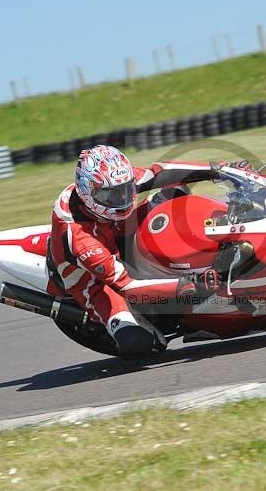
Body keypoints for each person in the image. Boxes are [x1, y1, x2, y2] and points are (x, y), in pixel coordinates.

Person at [46, 145, 226, 357]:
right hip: (97, 282)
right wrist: (190, 286)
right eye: (111, 195)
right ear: (88, 193)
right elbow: (128, 286)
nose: (122, 200)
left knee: (174, 192)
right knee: (138, 344)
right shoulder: (81, 240)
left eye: (126, 190)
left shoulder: (110, 184)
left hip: (114, 230)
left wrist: (218, 169)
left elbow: (157, 173)